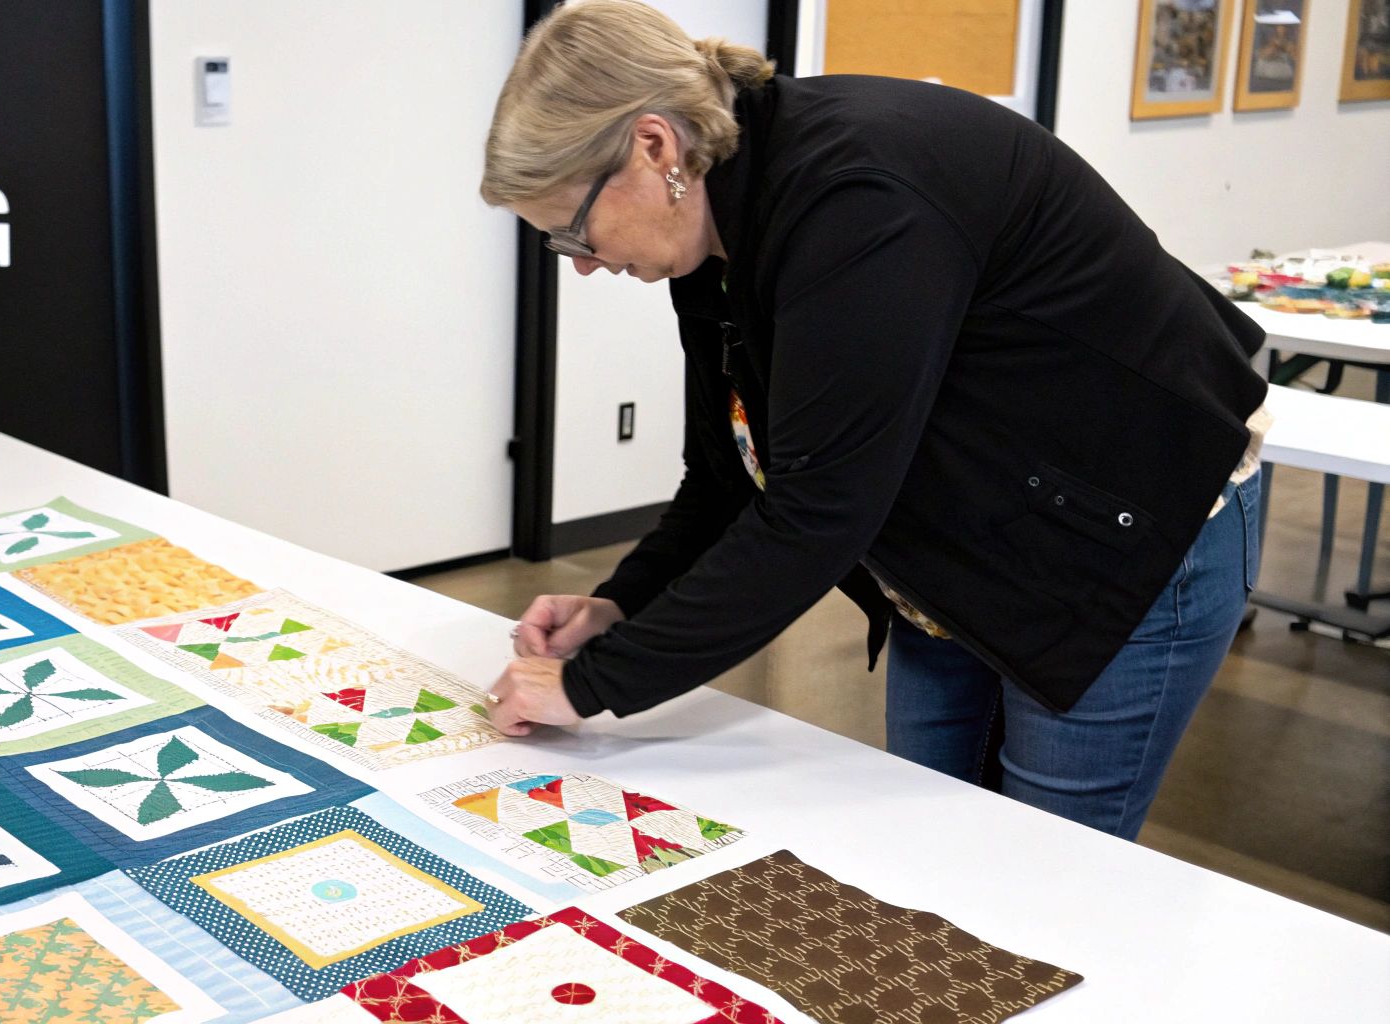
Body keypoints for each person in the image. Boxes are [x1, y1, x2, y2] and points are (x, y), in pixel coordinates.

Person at [479, 0, 1269, 841]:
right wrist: (621, 607)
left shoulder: (855, 201)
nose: (587, 266)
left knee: (1044, 877)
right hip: (966, 534)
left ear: (654, 147)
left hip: (1123, 538)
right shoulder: (709, 239)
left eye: (574, 231)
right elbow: (728, 473)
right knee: (926, 853)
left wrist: (595, 683)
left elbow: (817, 512)